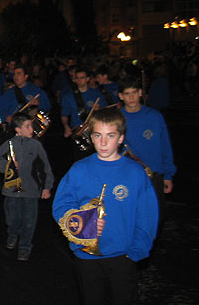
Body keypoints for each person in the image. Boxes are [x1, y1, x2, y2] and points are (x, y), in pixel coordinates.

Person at [52, 107, 158, 305]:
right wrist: (83, 226)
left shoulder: (135, 172)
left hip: (122, 254)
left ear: (120, 138)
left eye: (110, 135)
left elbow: (147, 214)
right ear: (91, 137)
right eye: (98, 135)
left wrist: (137, 249)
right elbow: (61, 206)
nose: (103, 142)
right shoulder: (79, 169)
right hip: (86, 255)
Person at [0, 112, 54, 261]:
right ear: (18, 130)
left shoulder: (36, 145)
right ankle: (13, 234)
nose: (31, 129)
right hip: (11, 191)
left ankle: (25, 246)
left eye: (31, 126)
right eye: (27, 127)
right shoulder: (10, 144)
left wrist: (47, 186)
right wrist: (7, 166)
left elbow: (45, 167)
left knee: (29, 220)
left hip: (31, 191)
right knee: (12, 218)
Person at [119, 76, 176, 219]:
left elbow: (165, 145)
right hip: (128, 176)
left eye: (134, 92)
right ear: (121, 96)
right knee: (131, 216)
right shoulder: (117, 119)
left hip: (153, 174)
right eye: (127, 94)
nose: (131, 97)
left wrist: (168, 175)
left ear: (140, 93)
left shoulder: (154, 116)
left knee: (156, 216)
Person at [60, 68, 107, 138]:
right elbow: (64, 115)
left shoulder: (96, 94)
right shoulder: (68, 97)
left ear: (87, 79)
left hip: (94, 129)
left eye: (82, 78)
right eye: (77, 78)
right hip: (77, 130)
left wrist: (99, 110)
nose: (79, 80)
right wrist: (66, 127)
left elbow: (106, 110)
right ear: (74, 80)